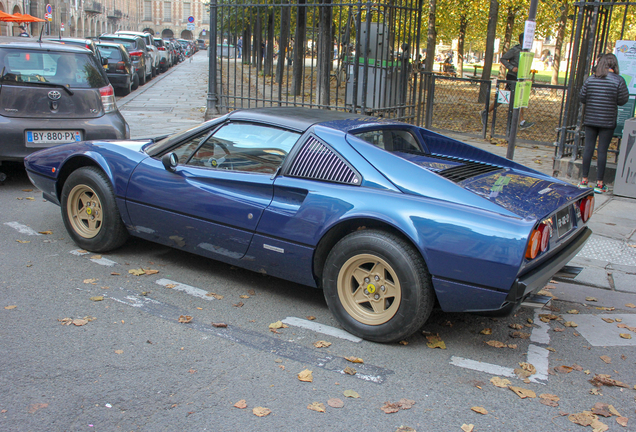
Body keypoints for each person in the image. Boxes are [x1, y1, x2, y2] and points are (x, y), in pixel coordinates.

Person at [578, 53, 629, 193]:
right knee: (602, 150)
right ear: (614, 65)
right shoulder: (618, 80)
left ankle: (584, 180)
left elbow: (582, 97)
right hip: (607, 120)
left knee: (588, 148)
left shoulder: (591, 79)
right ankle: (600, 184)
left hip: (590, 119)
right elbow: (622, 100)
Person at [481, 33, 535, 130]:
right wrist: (512, 67)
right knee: (512, 98)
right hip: (512, 77)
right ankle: (521, 122)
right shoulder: (515, 50)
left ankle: (486, 112)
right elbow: (503, 59)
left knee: (516, 98)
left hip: (521, 78)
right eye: (527, 40)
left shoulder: (527, 52)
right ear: (521, 41)